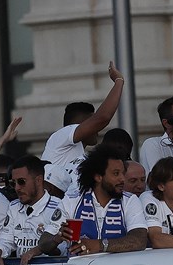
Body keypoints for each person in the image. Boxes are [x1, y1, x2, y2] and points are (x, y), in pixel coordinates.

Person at [41, 62, 126, 195]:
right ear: (80, 124)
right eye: (91, 124)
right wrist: (119, 81)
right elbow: (102, 118)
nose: (96, 130)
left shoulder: (83, 156)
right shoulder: (60, 137)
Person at [52, 145, 148, 256]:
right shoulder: (72, 200)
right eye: (116, 173)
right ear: (98, 177)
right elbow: (44, 243)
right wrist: (58, 237)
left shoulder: (130, 200)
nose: (122, 178)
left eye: (123, 173)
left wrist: (100, 245)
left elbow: (139, 240)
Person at [0, 156, 63, 265]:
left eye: (21, 182)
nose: (17, 188)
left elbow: (62, 249)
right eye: (13, 183)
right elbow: (6, 240)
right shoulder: (13, 207)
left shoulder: (58, 207)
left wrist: (40, 250)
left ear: (38, 180)